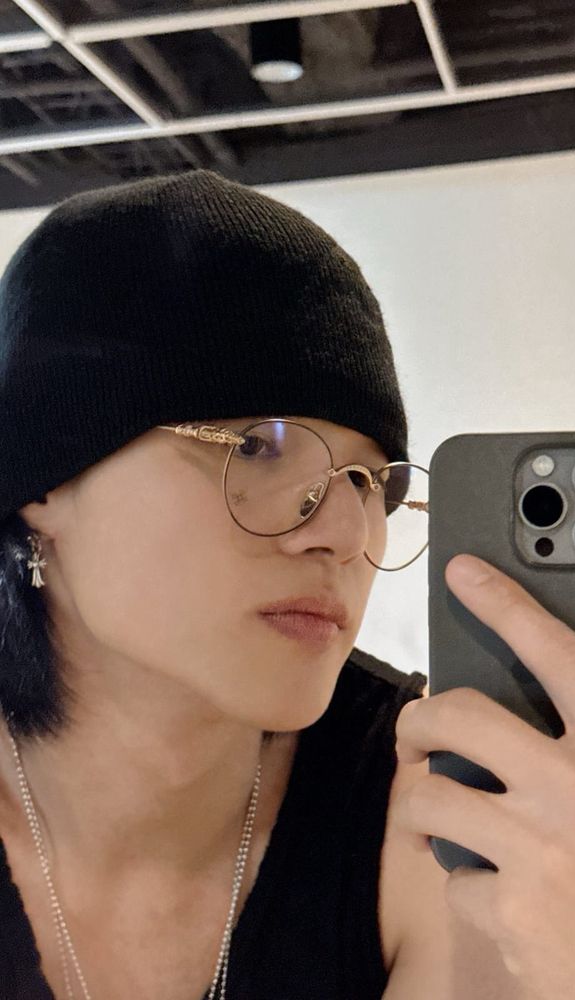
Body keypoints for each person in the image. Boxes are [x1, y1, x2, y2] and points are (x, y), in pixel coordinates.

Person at [0, 169, 503, 1000]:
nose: (346, 535)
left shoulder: (430, 821)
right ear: (46, 479)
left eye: (367, 481)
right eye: (256, 447)